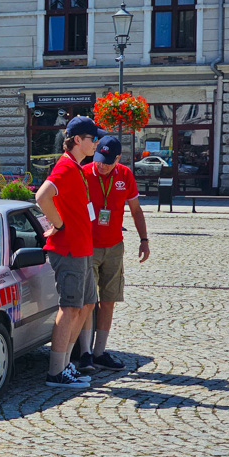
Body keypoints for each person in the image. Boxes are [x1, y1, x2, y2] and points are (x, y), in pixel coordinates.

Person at [34, 116, 104, 389]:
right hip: (70, 249)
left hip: (82, 248)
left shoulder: (76, 167)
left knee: (85, 306)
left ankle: (65, 366)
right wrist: (59, 224)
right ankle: (56, 372)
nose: (96, 142)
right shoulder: (65, 167)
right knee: (70, 307)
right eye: (92, 138)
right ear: (78, 140)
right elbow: (42, 196)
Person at [77, 136, 149, 373]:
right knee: (88, 301)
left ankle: (100, 352)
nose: (102, 165)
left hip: (114, 246)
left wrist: (144, 240)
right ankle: (85, 353)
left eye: (108, 161)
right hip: (88, 246)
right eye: (99, 159)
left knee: (108, 300)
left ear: (118, 158)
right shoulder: (84, 173)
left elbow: (136, 211)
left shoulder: (125, 175)